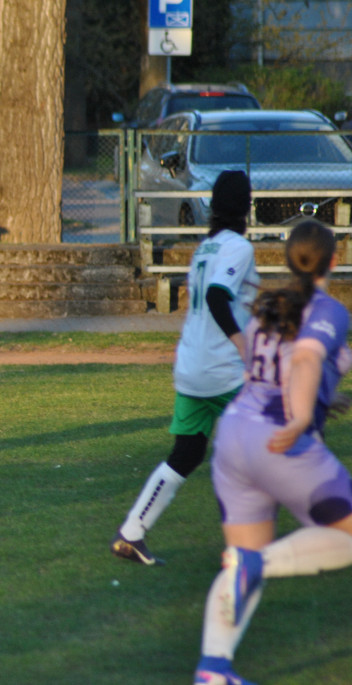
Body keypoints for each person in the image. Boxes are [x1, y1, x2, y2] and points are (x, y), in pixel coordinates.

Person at [193, 219, 352, 685]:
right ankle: (254, 565)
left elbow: (275, 365)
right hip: (280, 438)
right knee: (261, 558)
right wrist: (303, 416)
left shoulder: (269, 305)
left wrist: (325, 397)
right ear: (334, 260)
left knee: (243, 553)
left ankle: (214, 668)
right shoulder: (327, 308)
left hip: (234, 436)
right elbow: (304, 359)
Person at [112, 170, 259, 565]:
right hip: (223, 370)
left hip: (191, 366)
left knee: (188, 453)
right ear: (247, 205)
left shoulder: (205, 247)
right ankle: (243, 548)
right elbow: (216, 296)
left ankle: (132, 532)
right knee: (256, 453)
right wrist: (245, 346)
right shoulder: (238, 248)